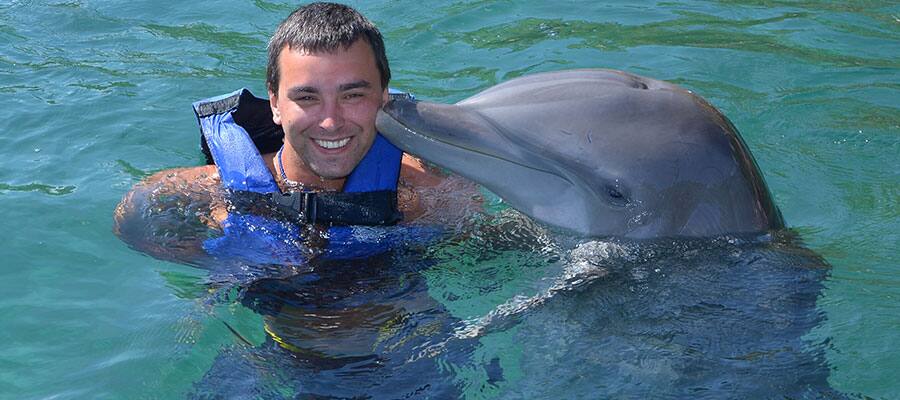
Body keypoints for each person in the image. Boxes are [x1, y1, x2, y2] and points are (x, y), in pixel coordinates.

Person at [114, 2, 478, 265]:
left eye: (352, 95)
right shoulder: (215, 192)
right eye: (307, 98)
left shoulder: (430, 198)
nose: (331, 122)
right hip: (264, 355)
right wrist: (220, 259)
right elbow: (132, 222)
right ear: (275, 103)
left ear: (384, 97)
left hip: (407, 349)